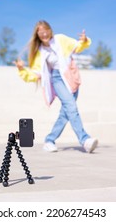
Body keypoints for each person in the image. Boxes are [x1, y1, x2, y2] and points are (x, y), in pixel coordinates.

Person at [14, 20, 98, 153]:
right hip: (56, 78)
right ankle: (84, 139)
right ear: (37, 35)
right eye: (40, 32)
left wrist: (84, 40)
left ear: (50, 30)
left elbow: (77, 47)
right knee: (71, 106)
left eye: (45, 30)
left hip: (71, 77)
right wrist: (22, 69)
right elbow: (36, 73)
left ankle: (49, 140)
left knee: (65, 114)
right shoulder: (40, 52)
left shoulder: (60, 39)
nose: (43, 33)